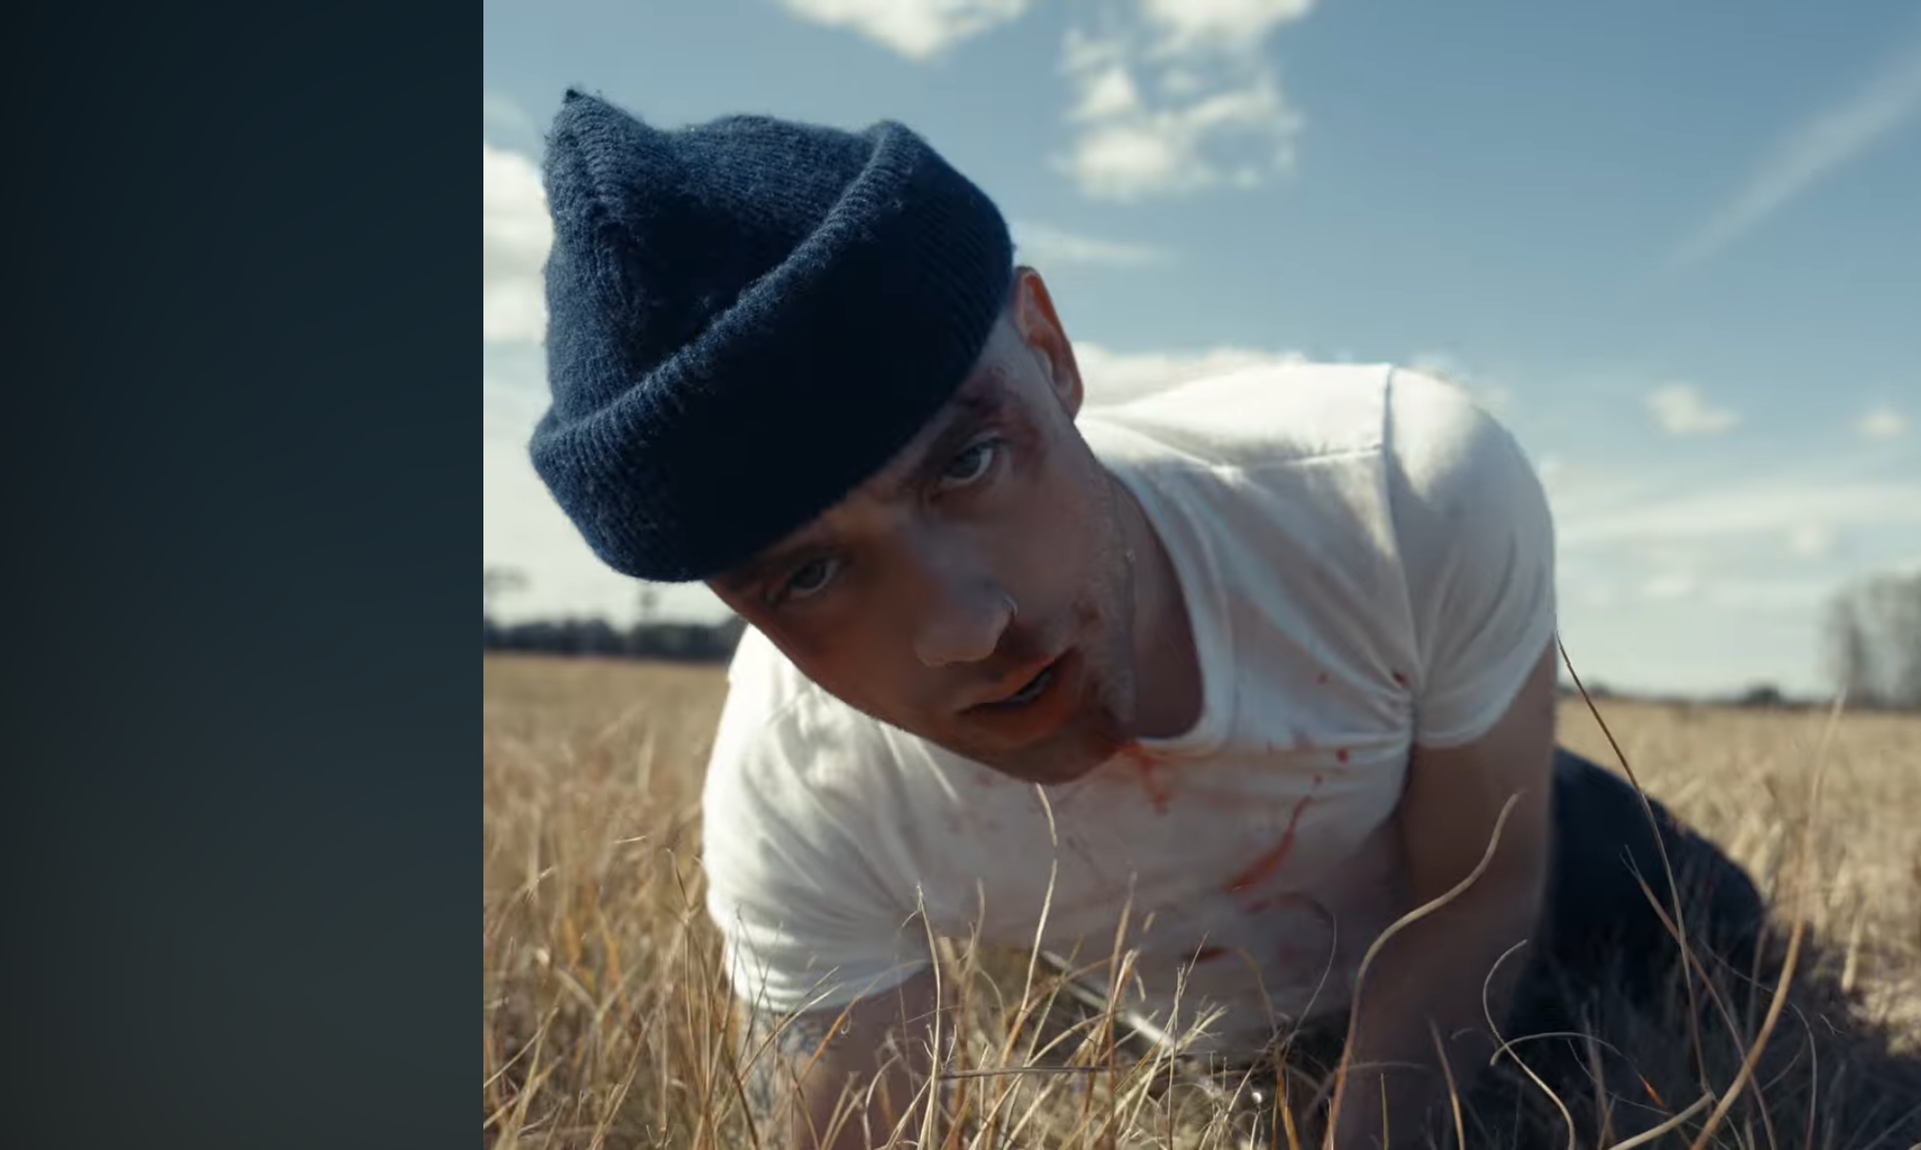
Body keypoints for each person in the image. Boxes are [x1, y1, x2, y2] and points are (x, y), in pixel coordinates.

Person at [527, 90, 1765, 1150]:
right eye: (806, 577)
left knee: (1725, 947)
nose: (962, 628)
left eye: (967, 462)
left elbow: (1479, 890)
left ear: (1049, 348)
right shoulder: (797, 790)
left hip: (1525, 859)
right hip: (1208, 1007)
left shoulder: (1397, 489)